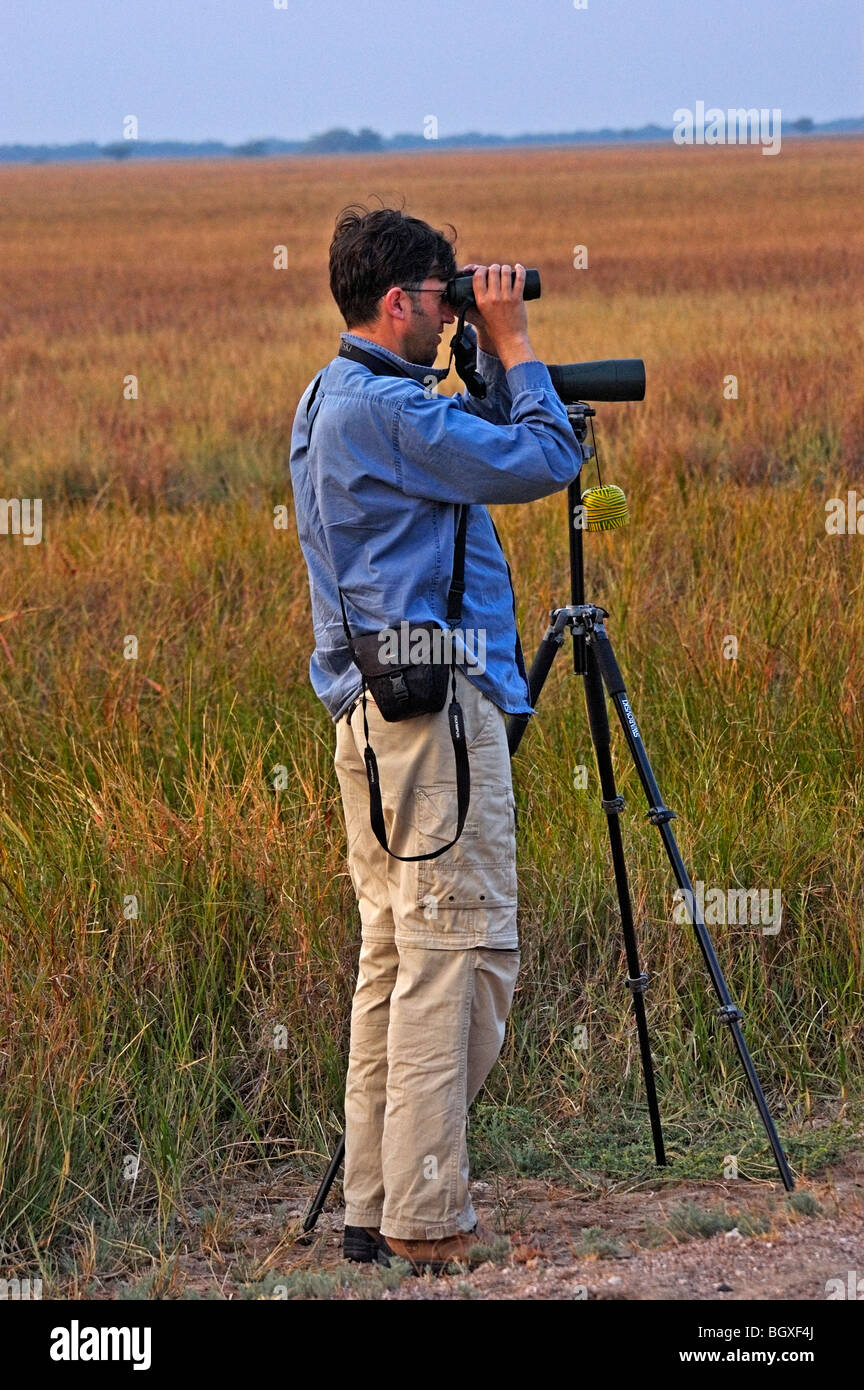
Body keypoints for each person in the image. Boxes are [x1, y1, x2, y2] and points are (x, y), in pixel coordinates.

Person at [289, 204, 582, 1274]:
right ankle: (427, 1213)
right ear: (402, 300)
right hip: (438, 719)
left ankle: (377, 1203)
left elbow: (474, 448)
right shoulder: (396, 415)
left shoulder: (330, 399)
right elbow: (542, 458)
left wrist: (476, 363)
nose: (451, 310)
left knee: (395, 961)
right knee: (462, 957)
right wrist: (511, 343)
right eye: (444, 295)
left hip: (372, 720)